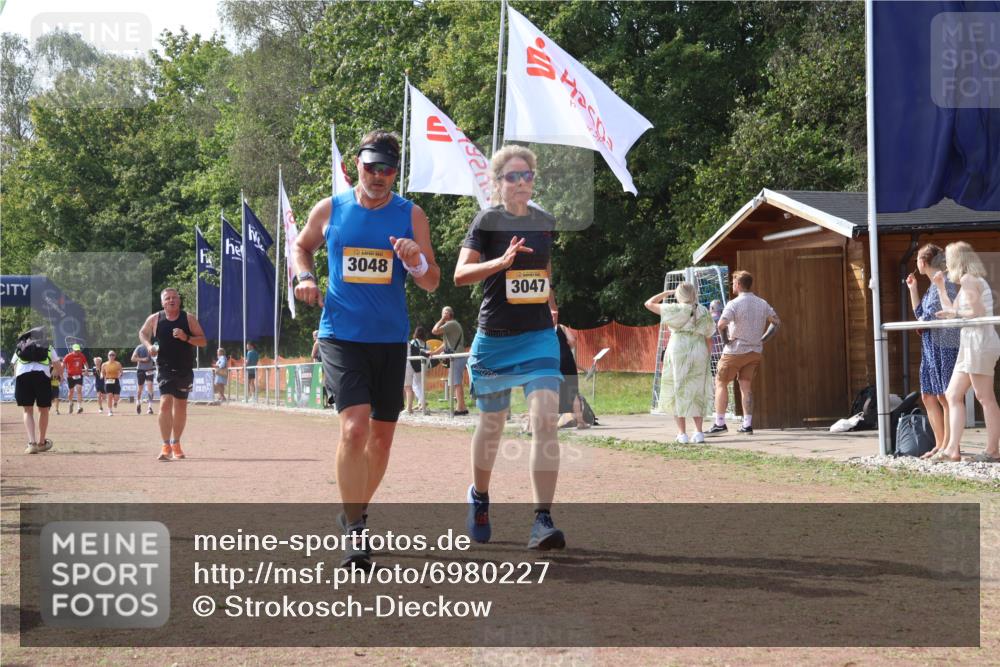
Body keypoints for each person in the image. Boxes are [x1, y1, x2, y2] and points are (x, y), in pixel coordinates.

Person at [292, 130, 440, 568]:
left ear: (396, 172)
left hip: (390, 339)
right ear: (353, 165)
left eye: (388, 169)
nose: (378, 176)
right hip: (340, 334)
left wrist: (415, 261)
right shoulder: (331, 209)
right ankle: (357, 530)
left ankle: (352, 509)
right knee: (354, 429)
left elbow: (431, 281)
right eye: (371, 167)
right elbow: (300, 246)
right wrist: (304, 277)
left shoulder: (411, 215)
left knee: (381, 439)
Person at [456, 144, 565, 551]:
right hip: (496, 341)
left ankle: (542, 519)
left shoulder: (545, 221)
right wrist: (500, 263)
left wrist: (552, 306)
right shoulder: (486, 221)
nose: (521, 182)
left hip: (538, 337)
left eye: (527, 176)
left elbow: (544, 270)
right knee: (493, 426)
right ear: (498, 183)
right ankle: (480, 498)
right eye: (513, 176)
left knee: (546, 421)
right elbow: (460, 275)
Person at [930, 242, 1000, 463]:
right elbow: (954, 311)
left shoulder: (970, 279)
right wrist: (941, 287)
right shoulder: (966, 283)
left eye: (948, 261)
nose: (946, 266)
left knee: (984, 397)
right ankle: (952, 450)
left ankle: (992, 450)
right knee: (952, 394)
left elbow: (976, 312)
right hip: (969, 342)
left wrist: (956, 313)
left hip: (980, 341)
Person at [138, 287, 207, 461]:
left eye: (174, 297)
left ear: (179, 300)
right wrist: (148, 347)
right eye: (167, 298)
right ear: (162, 302)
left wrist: (187, 338)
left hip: (184, 368)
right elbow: (142, 333)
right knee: (165, 403)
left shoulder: (188, 319)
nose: (171, 300)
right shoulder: (155, 319)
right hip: (164, 367)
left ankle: (176, 443)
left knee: (181, 407)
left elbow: (203, 341)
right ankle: (165, 445)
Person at [905, 244, 960, 459]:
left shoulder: (943, 283)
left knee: (945, 396)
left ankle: (947, 445)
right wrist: (913, 290)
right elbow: (921, 313)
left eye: (917, 258)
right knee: (929, 395)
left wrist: (921, 323)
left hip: (944, 344)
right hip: (930, 345)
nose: (916, 263)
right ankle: (939, 443)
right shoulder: (930, 286)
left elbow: (931, 317)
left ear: (923, 262)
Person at [708, 270, 779, 436]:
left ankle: (720, 423)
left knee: (721, 383)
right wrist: (763, 338)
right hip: (755, 350)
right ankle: (747, 424)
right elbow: (776, 322)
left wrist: (726, 341)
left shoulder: (734, 304)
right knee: (746, 385)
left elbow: (721, 325)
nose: (732, 285)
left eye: (733, 283)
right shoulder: (762, 303)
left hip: (735, 351)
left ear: (738, 285)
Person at [645, 282, 715, 443]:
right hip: (699, 350)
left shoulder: (674, 309)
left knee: (677, 388)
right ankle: (698, 432)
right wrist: (707, 356)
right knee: (697, 390)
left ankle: (682, 433)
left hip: (678, 350)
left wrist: (666, 293)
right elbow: (709, 335)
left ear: (679, 294)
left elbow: (649, 304)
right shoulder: (703, 310)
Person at [12, 327, 60, 453]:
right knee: (43, 410)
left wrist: (16, 376)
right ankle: (42, 442)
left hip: (23, 376)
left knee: (27, 410)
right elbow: (57, 365)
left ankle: (32, 443)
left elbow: (14, 364)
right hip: (42, 377)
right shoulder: (48, 346)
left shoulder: (21, 346)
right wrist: (60, 375)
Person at [431, 306, 469, 415]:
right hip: (456, 356)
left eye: (444, 313)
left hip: (456, 357)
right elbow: (445, 344)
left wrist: (442, 319)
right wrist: (433, 353)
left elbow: (434, 331)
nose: (442, 315)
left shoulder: (451, 324)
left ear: (448, 313)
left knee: (457, 383)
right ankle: (462, 406)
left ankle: (460, 408)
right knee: (455, 382)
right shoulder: (452, 325)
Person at [554, 315, 587, 429]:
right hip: (567, 359)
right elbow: (572, 340)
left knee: (553, 391)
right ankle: (580, 422)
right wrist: (567, 348)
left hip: (552, 361)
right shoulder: (561, 327)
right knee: (573, 391)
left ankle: (554, 423)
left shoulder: (542, 329)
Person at [405, 326, 430, 414]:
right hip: (424, 365)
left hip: (415, 365)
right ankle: (420, 403)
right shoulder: (426, 344)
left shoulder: (413, 342)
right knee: (420, 384)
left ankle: (422, 401)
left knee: (415, 385)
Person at [132, 342, 157, 415]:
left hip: (149, 370)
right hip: (141, 370)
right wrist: (143, 359)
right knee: (140, 389)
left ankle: (150, 407)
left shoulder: (153, 347)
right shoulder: (139, 347)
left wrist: (154, 355)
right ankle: (138, 403)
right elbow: (133, 358)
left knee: (150, 388)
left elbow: (156, 357)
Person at [62, 343, 87, 414]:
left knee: (79, 390)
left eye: (78, 350)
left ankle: (79, 407)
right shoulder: (68, 356)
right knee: (71, 391)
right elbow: (63, 364)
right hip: (70, 376)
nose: (77, 352)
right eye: (75, 350)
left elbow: (85, 363)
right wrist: (61, 374)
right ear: (72, 350)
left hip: (79, 375)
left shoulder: (81, 355)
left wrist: (86, 370)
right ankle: (70, 403)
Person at [101, 351, 123, 416]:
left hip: (116, 380)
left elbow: (121, 371)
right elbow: (102, 372)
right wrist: (102, 375)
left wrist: (120, 374)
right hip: (108, 381)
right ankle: (110, 411)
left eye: (113, 355)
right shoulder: (104, 364)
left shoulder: (118, 364)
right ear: (108, 356)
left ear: (115, 356)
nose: (111, 356)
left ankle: (115, 402)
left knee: (117, 397)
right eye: (110, 355)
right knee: (109, 396)